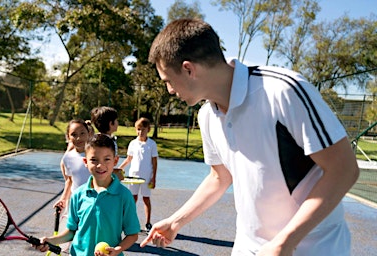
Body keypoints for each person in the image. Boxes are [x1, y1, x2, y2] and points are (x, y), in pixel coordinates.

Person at [140, 18, 359, 256]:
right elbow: (219, 177)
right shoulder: (207, 116)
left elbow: (344, 169)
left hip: (314, 249)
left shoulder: (283, 90)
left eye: (168, 81)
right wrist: (176, 221)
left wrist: (284, 242)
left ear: (188, 69)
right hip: (249, 247)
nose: (170, 90)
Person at [36, 134, 140, 256]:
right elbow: (71, 232)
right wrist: (50, 241)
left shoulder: (124, 196)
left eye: (106, 159)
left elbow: (132, 234)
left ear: (115, 161)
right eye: (94, 160)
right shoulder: (78, 195)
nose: (100, 165)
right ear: (85, 161)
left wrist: (117, 249)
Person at [118, 117, 158, 232]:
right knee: (132, 199)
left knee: (146, 199)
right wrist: (118, 169)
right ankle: (130, 222)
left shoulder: (152, 144)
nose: (140, 132)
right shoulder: (133, 143)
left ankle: (148, 223)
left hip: (147, 178)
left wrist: (153, 178)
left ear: (148, 130)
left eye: (143, 129)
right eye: (138, 129)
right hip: (133, 177)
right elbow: (128, 159)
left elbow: (154, 162)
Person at [53, 119, 91, 211]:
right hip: (76, 203)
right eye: (74, 135)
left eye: (82, 133)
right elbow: (70, 181)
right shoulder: (67, 158)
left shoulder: (97, 154)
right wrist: (63, 199)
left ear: (89, 134)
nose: (78, 138)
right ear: (68, 137)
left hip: (95, 203)